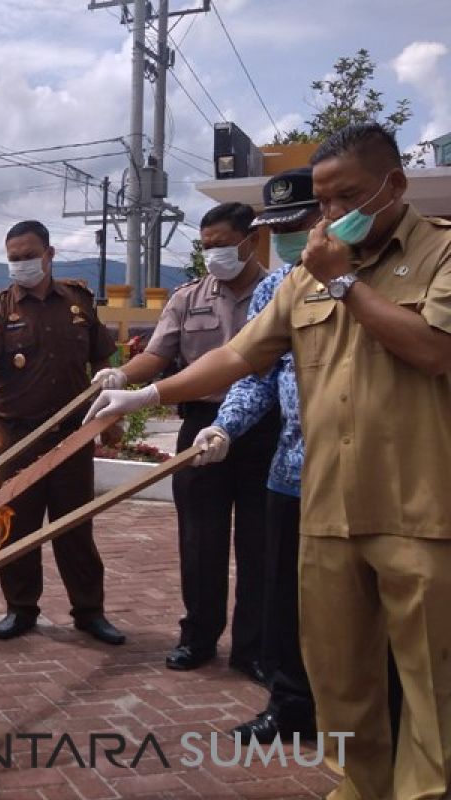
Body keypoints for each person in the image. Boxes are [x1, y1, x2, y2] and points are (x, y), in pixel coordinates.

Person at [87, 122, 451, 800]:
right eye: (324, 202)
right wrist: (149, 392)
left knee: (430, 685)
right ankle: (359, 786)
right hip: (324, 509)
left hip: (417, 512)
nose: (332, 216)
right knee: (340, 679)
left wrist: (344, 285)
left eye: (347, 197)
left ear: (394, 185)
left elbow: (434, 349)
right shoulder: (300, 283)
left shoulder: (438, 256)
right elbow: (240, 357)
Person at [93, 203, 277, 680]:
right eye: (207, 246)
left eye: (222, 244)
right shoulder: (188, 297)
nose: (213, 254)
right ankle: (198, 636)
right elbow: (157, 355)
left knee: (260, 544)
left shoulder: (280, 293)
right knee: (199, 540)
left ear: (250, 241)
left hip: (264, 431)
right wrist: (120, 376)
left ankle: (253, 648)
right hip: (201, 423)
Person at [0, 220, 125, 645]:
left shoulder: (79, 302)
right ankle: (21, 608)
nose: (21, 264)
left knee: (75, 526)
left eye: (29, 255)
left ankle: (89, 611)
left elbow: (103, 360)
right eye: (14, 258)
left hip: (71, 435)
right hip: (16, 438)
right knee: (17, 525)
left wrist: (114, 409)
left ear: (49, 254)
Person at [200, 169, 321, 741]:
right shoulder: (277, 291)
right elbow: (254, 375)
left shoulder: (375, 281)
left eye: (300, 223)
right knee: (284, 599)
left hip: (361, 476)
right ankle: (291, 705)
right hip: (290, 473)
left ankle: (367, 716)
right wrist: (224, 426)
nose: (291, 237)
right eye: (280, 228)